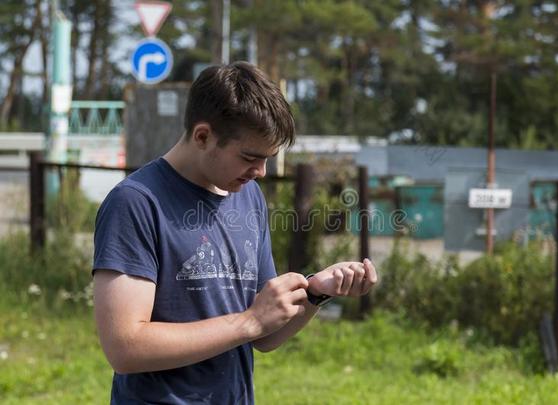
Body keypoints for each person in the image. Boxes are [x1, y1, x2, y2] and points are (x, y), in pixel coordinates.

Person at [92, 61, 377, 404]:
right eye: (249, 157)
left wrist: (315, 293)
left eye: (269, 158)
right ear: (203, 136)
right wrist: (250, 322)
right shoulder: (136, 203)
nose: (260, 172)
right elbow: (125, 347)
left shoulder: (248, 197)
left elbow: (263, 336)